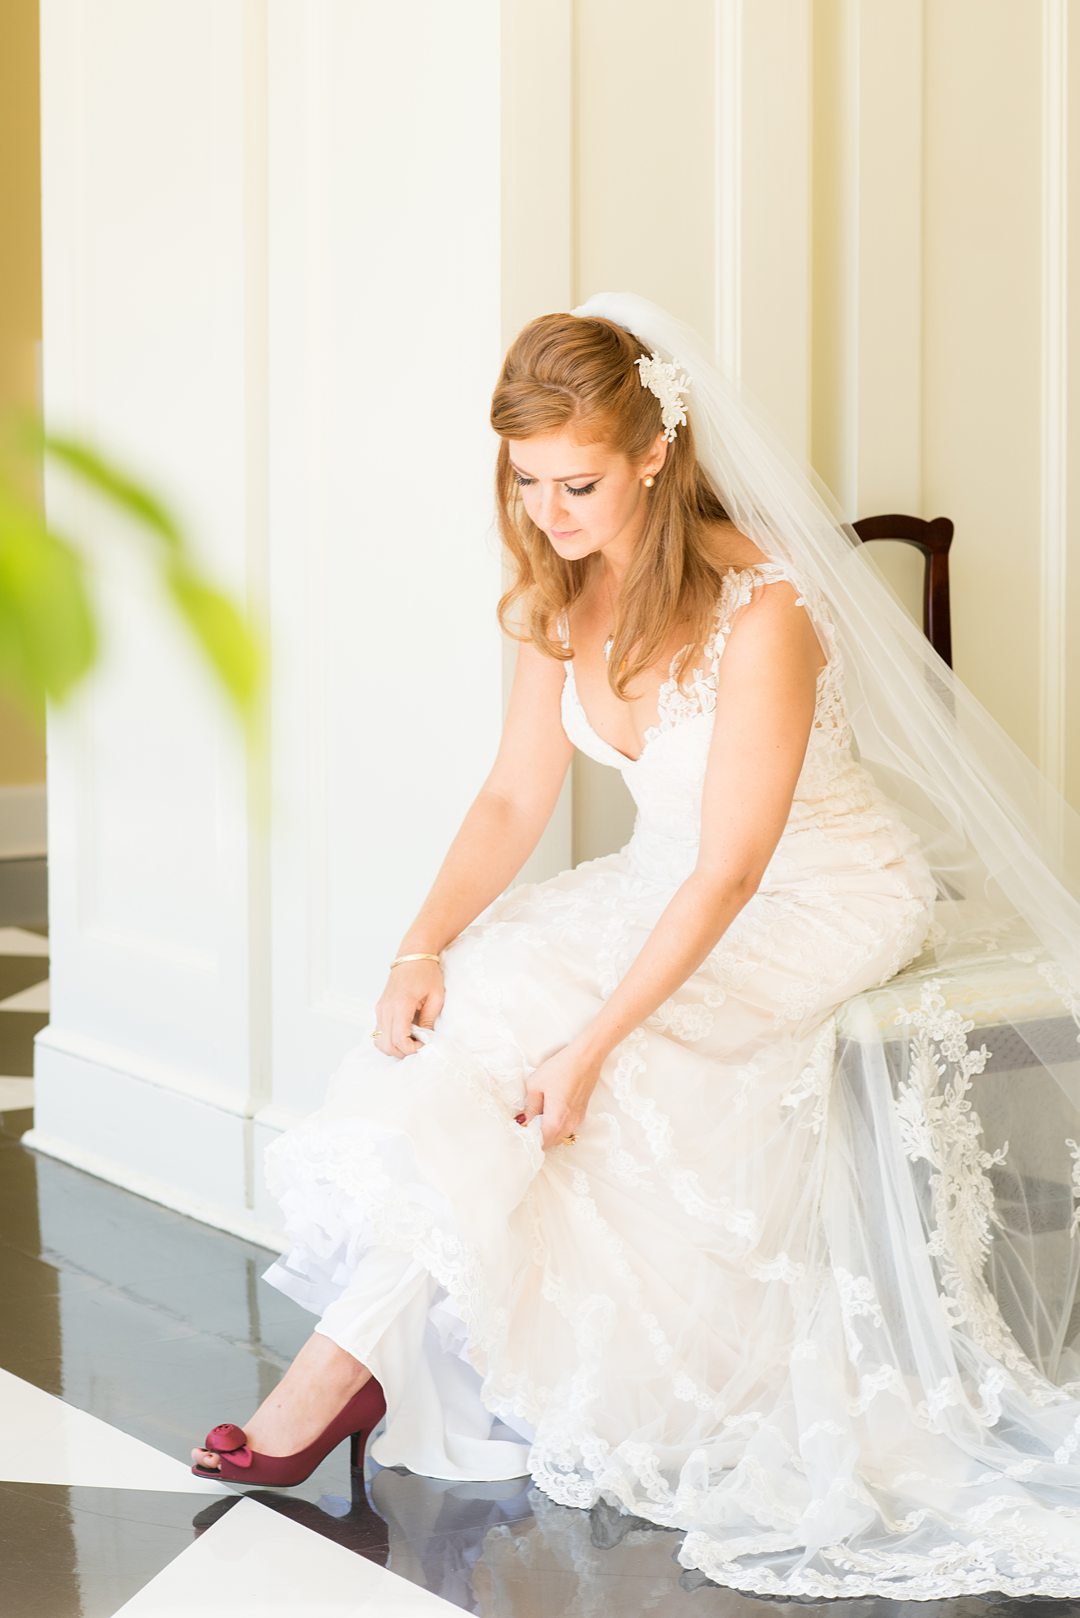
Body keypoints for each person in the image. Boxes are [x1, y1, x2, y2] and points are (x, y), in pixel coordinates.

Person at [191, 293, 1080, 1601]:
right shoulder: (566, 591)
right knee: (484, 1010)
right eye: (528, 481)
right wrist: (418, 944)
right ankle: (347, 1369)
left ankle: (330, 1381)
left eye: (579, 482)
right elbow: (511, 799)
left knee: (607, 1058)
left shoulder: (765, 608)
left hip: (815, 892)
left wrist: (596, 1042)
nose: (550, 512)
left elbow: (735, 869)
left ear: (655, 454)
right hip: (671, 877)